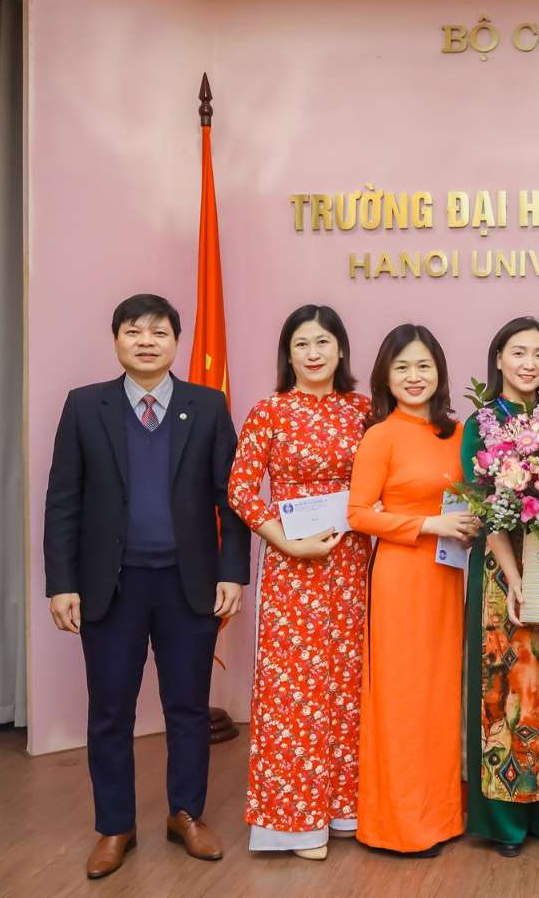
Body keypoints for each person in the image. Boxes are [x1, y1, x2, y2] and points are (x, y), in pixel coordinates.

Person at [43, 294, 250, 879]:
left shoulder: (206, 406)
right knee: (110, 710)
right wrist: (62, 583)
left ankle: (186, 814)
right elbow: (63, 500)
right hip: (110, 587)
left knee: (187, 706)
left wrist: (233, 571)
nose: (146, 341)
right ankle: (115, 826)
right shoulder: (86, 406)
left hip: (189, 585)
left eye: (159, 332)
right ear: (116, 340)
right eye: (133, 331)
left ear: (176, 342)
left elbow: (230, 499)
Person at [228, 305, 370, 861]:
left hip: (353, 564)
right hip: (293, 568)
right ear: (288, 354)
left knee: (349, 685)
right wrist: (285, 542)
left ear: (341, 349)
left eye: (323, 342)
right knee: (294, 693)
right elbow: (241, 490)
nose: (313, 353)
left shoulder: (363, 410)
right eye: (302, 344)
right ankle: (294, 824)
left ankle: (345, 809)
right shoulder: (270, 412)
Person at [347, 324, 480, 856]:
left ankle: (442, 816)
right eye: (401, 367)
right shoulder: (380, 435)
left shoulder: (460, 433)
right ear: (385, 376)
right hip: (401, 578)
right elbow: (359, 515)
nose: (413, 376)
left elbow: (473, 499)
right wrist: (428, 525)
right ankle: (400, 826)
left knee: (442, 696)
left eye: (423, 365)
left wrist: (468, 525)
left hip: (447, 576)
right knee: (403, 699)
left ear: (439, 373)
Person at [460, 316, 539, 857]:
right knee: (505, 692)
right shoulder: (482, 423)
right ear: (498, 359)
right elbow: (485, 510)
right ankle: (504, 822)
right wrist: (514, 580)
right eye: (518, 352)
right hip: (500, 572)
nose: (529, 364)